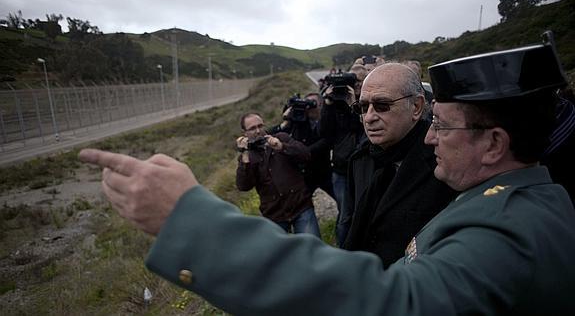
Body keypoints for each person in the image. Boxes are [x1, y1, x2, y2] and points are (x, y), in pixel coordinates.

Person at [79, 38, 575, 315]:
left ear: (494, 144)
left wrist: (191, 223)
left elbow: (394, 305)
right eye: (361, 107)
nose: (429, 137)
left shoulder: (508, 229)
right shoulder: (509, 198)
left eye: (441, 125)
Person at [343, 63, 456, 267]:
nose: (369, 117)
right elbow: (349, 222)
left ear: (416, 107)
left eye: (382, 105)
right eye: (363, 107)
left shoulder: (446, 163)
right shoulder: (360, 161)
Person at [235, 112, 321, 237]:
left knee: (313, 248)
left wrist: (281, 147)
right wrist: (245, 154)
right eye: (252, 128)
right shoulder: (248, 156)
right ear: (245, 133)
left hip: (300, 206)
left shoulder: (281, 137)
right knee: (281, 255)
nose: (258, 131)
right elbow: (243, 186)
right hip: (274, 214)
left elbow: (306, 154)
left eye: (260, 126)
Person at [319, 63, 366, 246]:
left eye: (358, 82)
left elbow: (364, 129)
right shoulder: (335, 102)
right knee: (345, 216)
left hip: (361, 167)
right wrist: (328, 104)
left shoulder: (369, 103)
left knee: (361, 211)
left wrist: (354, 103)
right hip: (341, 169)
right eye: (352, 81)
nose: (355, 86)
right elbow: (324, 132)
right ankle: (344, 249)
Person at [267, 92, 334, 197]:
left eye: (312, 103)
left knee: (343, 201)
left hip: (323, 170)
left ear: (321, 104)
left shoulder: (326, 119)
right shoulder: (299, 119)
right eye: (306, 103)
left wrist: (303, 151)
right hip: (304, 173)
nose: (309, 107)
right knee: (302, 205)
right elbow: (269, 135)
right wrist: (285, 121)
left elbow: (327, 141)